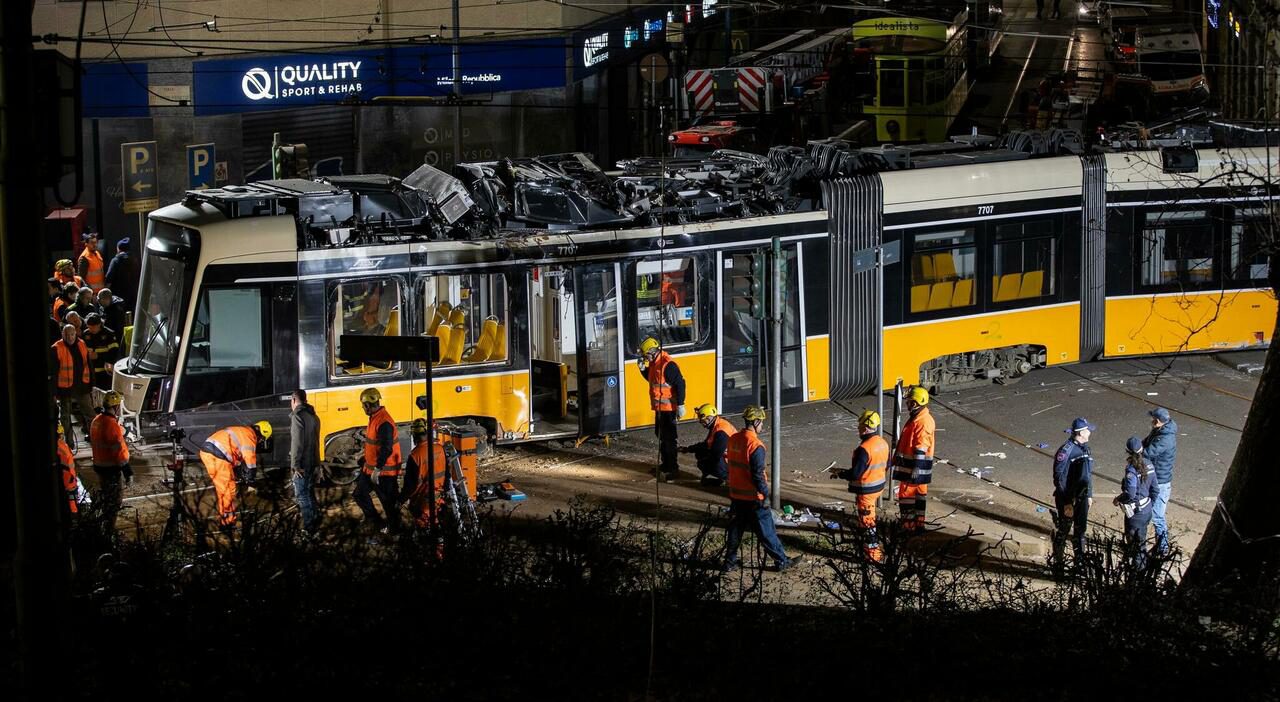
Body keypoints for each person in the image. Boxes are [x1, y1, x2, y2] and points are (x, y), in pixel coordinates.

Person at [723, 405, 800, 572]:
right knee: (766, 531)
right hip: (754, 498)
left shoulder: (733, 438)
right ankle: (781, 561)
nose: (762, 426)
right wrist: (765, 495)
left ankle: (729, 562)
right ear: (756, 421)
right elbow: (758, 474)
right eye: (762, 422)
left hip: (736, 495)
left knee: (735, 530)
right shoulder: (755, 445)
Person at [830, 410, 889, 562]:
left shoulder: (864, 449)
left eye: (860, 425)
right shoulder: (882, 443)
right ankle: (870, 550)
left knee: (868, 523)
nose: (858, 427)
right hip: (878, 486)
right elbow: (886, 465)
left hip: (866, 491)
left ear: (866, 427)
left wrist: (841, 473)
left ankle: (872, 555)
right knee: (869, 520)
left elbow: (855, 474)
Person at [199, 421, 271, 529]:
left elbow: (236, 457)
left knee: (224, 489)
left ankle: (227, 518)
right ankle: (227, 523)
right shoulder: (250, 437)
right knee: (227, 490)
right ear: (261, 434)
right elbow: (250, 461)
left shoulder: (243, 431)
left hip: (209, 453)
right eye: (262, 439)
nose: (260, 441)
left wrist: (241, 474)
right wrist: (250, 479)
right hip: (217, 456)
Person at [637, 336, 686, 482]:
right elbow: (654, 381)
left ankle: (673, 468)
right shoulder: (654, 363)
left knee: (669, 440)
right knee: (661, 436)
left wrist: (681, 405)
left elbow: (681, 384)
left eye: (645, 355)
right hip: (660, 408)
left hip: (669, 409)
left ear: (652, 352)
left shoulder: (667, 365)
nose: (645, 358)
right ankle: (666, 465)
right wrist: (643, 370)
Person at [354, 387, 402, 535]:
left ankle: (395, 531)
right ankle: (375, 521)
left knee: (389, 503)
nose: (363, 408)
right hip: (371, 469)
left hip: (384, 473)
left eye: (363, 405)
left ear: (368, 405)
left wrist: (378, 468)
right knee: (359, 494)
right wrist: (365, 458)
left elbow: (386, 449)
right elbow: (375, 444)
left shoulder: (384, 422)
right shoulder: (375, 418)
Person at [1052, 417, 1095, 565]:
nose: (1090, 432)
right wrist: (1067, 503)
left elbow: (1087, 475)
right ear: (1081, 432)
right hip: (1069, 499)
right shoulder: (1066, 451)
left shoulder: (1085, 448)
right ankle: (1058, 563)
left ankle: (1080, 562)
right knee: (1064, 530)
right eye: (1088, 430)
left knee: (1080, 531)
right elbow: (1059, 478)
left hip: (1081, 499)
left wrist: (1089, 495)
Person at [892, 386, 935, 530]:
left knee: (907, 497)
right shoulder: (919, 418)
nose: (907, 404)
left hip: (913, 468)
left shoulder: (922, 422)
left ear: (916, 403)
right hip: (918, 468)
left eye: (909, 402)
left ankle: (908, 526)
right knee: (919, 497)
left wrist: (916, 466)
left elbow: (921, 445)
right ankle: (918, 524)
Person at [404, 418, 458, 531]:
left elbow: (410, 485)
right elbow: (447, 475)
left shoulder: (414, 456)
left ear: (414, 435)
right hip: (439, 499)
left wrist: (400, 499)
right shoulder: (440, 449)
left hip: (422, 503)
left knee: (426, 533)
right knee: (438, 530)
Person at [90, 391, 133, 531]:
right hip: (111, 470)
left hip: (100, 467)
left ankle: (102, 528)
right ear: (116, 407)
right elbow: (118, 452)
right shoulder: (111, 425)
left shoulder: (96, 421)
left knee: (105, 500)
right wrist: (127, 472)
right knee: (113, 503)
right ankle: (108, 532)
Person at [1114, 436, 1158, 570]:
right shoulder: (1149, 465)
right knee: (1141, 542)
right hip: (1146, 511)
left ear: (1127, 451)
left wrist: (1119, 499)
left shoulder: (1131, 470)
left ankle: (1137, 575)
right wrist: (1150, 505)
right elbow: (1155, 489)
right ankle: (1141, 569)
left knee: (1136, 546)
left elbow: (1130, 493)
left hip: (1135, 514)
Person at [51, 324, 94, 450]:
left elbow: (89, 365)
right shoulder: (56, 348)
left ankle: (94, 438)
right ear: (62, 335)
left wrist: (92, 384)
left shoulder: (82, 344)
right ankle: (70, 444)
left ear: (76, 334)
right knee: (65, 417)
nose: (70, 337)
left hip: (82, 386)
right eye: (67, 334)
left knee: (90, 413)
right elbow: (53, 373)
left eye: (72, 334)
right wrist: (54, 392)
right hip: (65, 389)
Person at [1143, 407, 1177, 555]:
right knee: (1154, 513)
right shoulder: (1160, 431)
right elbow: (1146, 443)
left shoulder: (1165, 438)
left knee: (1157, 515)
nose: (1151, 421)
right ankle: (1160, 545)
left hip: (1160, 481)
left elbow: (1149, 452)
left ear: (1157, 422)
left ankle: (1163, 548)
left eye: (1153, 419)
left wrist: (1137, 450)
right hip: (1156, 478)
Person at [289, 389, 321, 534]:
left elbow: (297, 443)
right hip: (313, 461)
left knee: (302, 495)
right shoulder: (314, 416)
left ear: (294, 400)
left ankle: (310, 527)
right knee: (309, 492)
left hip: (302, 464)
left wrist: (295, 465)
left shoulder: (298, 417)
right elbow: (315, 442)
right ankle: (316, 518)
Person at [679, 403, 733, 486]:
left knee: (707, 459)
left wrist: (706, 468)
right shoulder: (717, 425)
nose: (701, 421)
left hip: (734, 463)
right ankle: (720, 476)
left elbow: (716, 454)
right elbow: (706, 444)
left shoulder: (721, 431)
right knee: (701, 453)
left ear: (709, 417)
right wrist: (689, 449)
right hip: (731, 459)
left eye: (702, 418)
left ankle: (728, 479)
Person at [56, 422, 90, 519]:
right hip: (69, 485)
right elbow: (66, 469)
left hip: (68, 482)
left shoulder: (59, 446)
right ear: (61, 434)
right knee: (72, 509)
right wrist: (71, 485)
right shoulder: (62, 447)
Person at [82, 313, 119, 390]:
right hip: (90, 371)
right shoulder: (85, 334)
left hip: (105, 372)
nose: (91, 329)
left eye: (93, 327)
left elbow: (114, 352)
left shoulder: (109, 334)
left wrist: (98, 356)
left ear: (99, 324)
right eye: (89, 327)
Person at [105, 237, 140, 310]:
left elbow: (109, 279)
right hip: (133, 295)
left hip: (119, 297)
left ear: (119, 249)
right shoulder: (135, 260)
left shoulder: (116, 261)